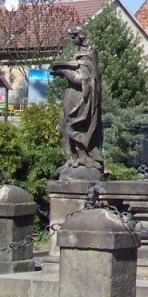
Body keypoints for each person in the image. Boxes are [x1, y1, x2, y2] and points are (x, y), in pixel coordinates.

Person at [50, 25, 105, 180]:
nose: (71, 40)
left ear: (79, 36)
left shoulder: (87, 56)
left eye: (72, 37)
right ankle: (71, 159)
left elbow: (82, 79)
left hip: (82, 102)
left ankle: (83, 159)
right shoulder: (81, 54)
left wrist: (63, 71)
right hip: (73, 100)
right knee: (64, 128)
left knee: (76, 128)